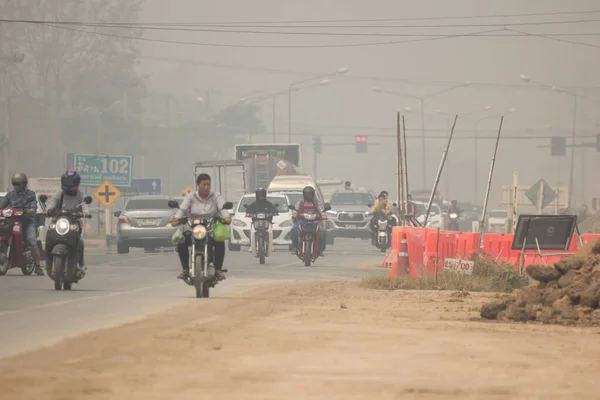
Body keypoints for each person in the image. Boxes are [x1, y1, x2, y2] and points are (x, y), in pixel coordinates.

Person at [170, 173, 232, 281]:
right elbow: (182, 210)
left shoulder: (216, 196)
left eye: (208, 184)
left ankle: (218, 270)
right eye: (204, 185)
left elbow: (223, 208)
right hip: (192, 229)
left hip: (210, 229)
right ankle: (185, 269)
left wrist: (226, 217)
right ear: (198, 185)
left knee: (219, 242)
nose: (206, 187)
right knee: (182, 241)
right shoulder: (190, 197)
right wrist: (176, 219)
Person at [44, 170, 89, 272]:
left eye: (71, 183)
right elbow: (51, 205)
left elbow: (85, 207)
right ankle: (48, 260)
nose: (69, 185)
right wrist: (48, 211)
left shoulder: (81, 195)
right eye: (67, 182)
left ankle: (79, 263)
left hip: (74, 222)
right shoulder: (59, 194)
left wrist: (85, 213)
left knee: (80, 242)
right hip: (59, 221)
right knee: (49, 236)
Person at [0, 173, 43, 275]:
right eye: (14, 184)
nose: (16, 186)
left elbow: (33, 206)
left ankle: (37, 266)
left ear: (24, 184)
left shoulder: (30, 194)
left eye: (18, 184)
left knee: (32, 240)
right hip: (11, 221)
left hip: (27, 221)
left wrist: (31, 210)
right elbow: (2, 205)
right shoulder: (10, 195)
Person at [290, 186, 327, 256]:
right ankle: (295, 247)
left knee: (322, 231)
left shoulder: (316, 202)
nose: (308, 195)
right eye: (307, 194)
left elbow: (321, 209)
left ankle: (320, 250)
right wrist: (294, 213)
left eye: (310, 194)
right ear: (304, 194)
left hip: (315, 221)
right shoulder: (301, 201)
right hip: (301, 220)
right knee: (294, 230)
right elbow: (295, 208)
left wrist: (323, 215)